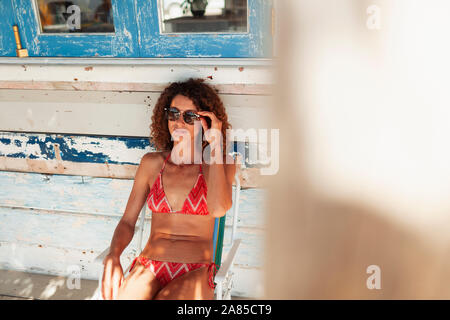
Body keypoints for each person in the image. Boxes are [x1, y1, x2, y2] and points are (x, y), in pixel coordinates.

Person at [101, 78, 237, 300]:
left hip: (195, 270)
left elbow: (219, 209)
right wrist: (113, 256)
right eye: (173, 113)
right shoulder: (151, 163)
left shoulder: (219, 163)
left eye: (189, 116)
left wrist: (216, 145)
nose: (179, 122)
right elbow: (127, 221)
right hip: (148, 266)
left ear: (207, 121)